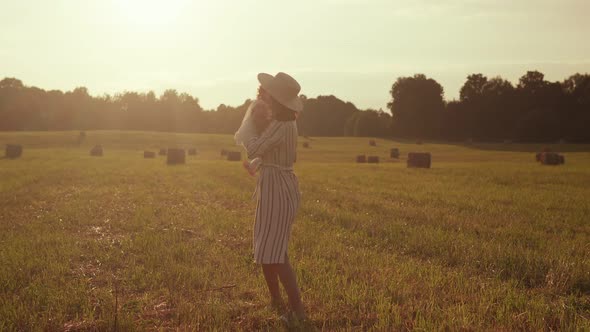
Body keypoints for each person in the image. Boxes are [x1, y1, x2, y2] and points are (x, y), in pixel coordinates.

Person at [244, 72, 306, 322]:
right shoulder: (284, 124)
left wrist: (249, 121)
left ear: (277, 98)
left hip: (277, 190)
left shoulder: (281, 125)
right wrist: (258, 164)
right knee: (267, 248)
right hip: (275, 186)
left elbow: (255, 147)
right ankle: (277, 301)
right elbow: (276, 155)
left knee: (277, 252)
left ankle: (298, 312)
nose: (263, 94)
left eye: (267, 92)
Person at [234, 88, 273, 176]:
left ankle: (253, 166)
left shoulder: (268, 104)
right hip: (261, 131)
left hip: (264, 131)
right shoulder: (260, 105)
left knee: (265, 154)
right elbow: (257, 119)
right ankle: (253, 166)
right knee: (262, 152)